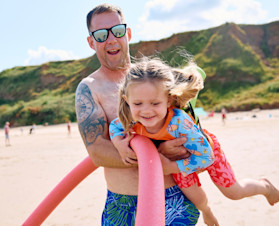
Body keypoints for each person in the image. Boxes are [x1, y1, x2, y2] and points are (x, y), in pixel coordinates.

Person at [109, 57, 279, 225]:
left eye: (155, 103)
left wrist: (171, 167)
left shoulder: (180, 123)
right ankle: (207, 212)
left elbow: (207, 158)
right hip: (179, 160)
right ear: (127, 101)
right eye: (138, 103)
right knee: (196, 198)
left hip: (205, 150)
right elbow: (114, 127)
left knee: (233, 192)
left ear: (168, 100)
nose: (146, 111)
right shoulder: (130, 120)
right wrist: (119, 144)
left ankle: (265, 186)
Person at [76, 4, 200, 225]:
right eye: (102, 35)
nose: (112, 39)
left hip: (172, 198)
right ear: (91, 42)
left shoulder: (155, 78)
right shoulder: (90, 88)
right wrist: (157, 155)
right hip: (122, 205)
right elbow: (97, 152)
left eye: (118, 31)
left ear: (128, 33)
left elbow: (189, 129)